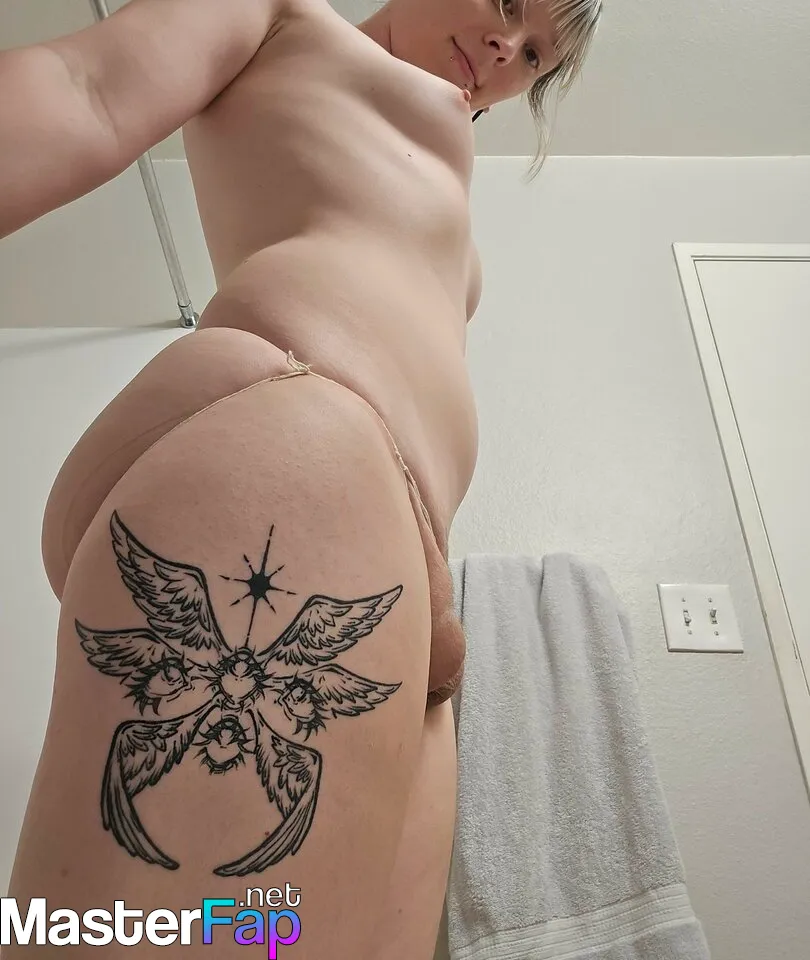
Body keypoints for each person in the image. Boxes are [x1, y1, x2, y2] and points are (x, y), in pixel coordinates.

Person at [1, 0, 600, 956]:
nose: (506, 49)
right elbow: (86, 90)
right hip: (295, 448)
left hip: (408, 585)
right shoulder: (286, 19)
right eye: (507, 4)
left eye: (535, 57)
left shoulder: (459, 235)